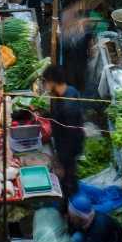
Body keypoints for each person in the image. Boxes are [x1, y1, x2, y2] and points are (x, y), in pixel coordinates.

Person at [43, 66, 83, 199]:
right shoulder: (63, 93)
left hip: (69, 148)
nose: (46, 86)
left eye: (46, 82)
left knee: (68, 180)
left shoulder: (68, 106)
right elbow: (55, 115)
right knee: (66, 177)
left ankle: (71, 209)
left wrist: (61, 159)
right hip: (62, 143)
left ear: (53, 82)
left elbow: (71, 136)